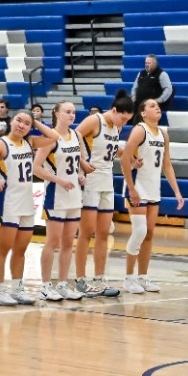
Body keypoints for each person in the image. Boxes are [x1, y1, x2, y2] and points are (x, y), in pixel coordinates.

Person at [119, 97, 184, 292]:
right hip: (137, 187)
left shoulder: (163, 134)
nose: (157, 108)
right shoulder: (140, 130)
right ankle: (128, 278)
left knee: (149, 234)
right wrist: (131, 189)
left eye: (158, 105)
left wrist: (177, 192)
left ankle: (143, 277)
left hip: (154, 188)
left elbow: (167, 165)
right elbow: (124, 158)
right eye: (152, 106)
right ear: (143, 112)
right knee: (139, 232)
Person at [0, 109, 48, 305]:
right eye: (19, 120)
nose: (21, 125)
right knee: (3, 248)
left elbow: (53, 138)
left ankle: (17, 289)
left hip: (27, 203)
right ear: (11, 121)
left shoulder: (30, 143)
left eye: (26, 123)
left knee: (21, 250)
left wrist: (36, 122)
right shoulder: (0, 144)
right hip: (8, 203)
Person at [75, 95, 133, 296]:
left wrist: (127, 156)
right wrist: (82, 162)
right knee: (86, 232)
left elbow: (110, 148)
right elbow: (74, 137)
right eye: (124, 119)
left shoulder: (117, 127)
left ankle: (99, 278)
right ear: (115, 111)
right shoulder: (95, 120)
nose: (124, 124)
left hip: (107, 180)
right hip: (90, 180)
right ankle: (80, 279)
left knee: (104, 232)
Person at [37, 100, 86, 301]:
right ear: (57, 113)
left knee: (68, 243)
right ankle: (46, 285)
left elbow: (80, 162)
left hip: (74, 196)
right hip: (56, 196)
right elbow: (36, 167)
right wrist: (58, 180)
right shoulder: (50, 137)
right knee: (53, 241)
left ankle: (64, 284)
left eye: (73, 112)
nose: (71, 115)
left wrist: (82, 174)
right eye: (67, 111)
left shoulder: (77, 135)